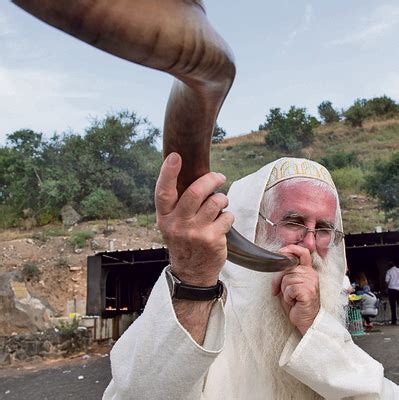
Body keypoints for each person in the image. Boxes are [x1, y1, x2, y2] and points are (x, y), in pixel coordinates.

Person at [103, 156, 398, 399]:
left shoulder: (323, 321)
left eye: (323, 228)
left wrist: (314, 329)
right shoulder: (201, 312)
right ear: (249, 228)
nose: (309, 243)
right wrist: (192, 279)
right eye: (293, 221)